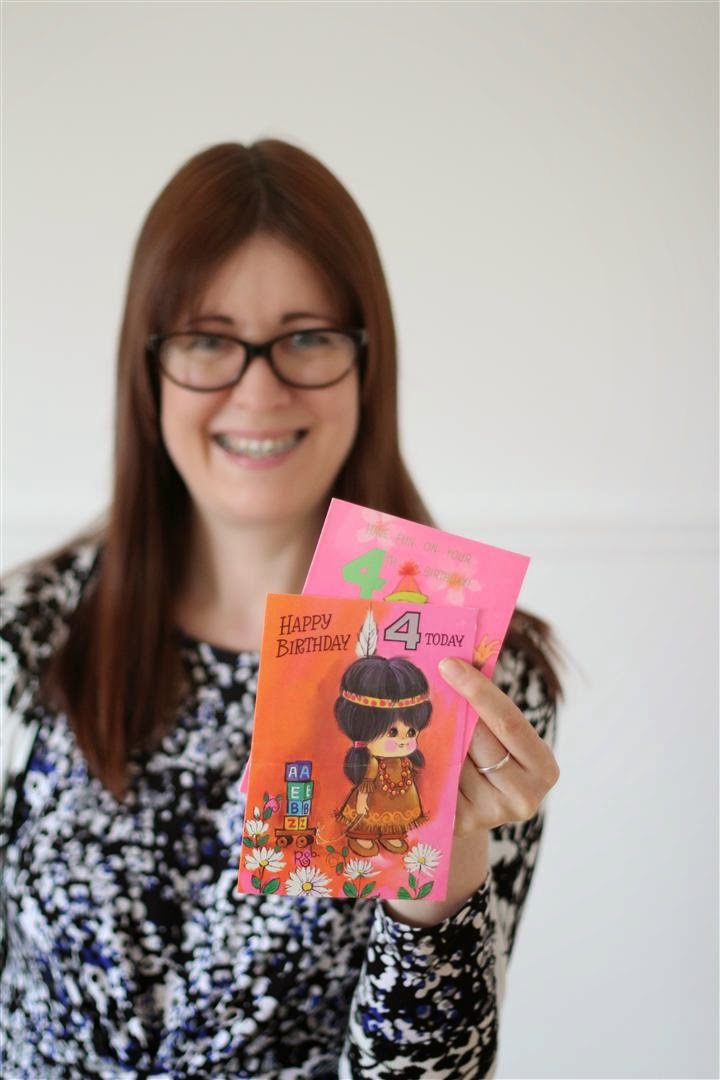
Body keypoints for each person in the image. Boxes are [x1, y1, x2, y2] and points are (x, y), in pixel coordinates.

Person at [0, 139, 561, 1078]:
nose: (258, 391)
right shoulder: (28, 633)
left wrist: (439, 870)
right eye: (208, 340)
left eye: (306, 337)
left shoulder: (480, 670)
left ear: (366, 363)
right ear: (149, 369)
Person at [335, 655, 432, 857]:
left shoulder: (405, 761)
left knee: (396, 814)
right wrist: (361, 802)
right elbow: (366, 785)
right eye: (392, 732)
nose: (403, 740)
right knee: (370, 816)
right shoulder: (372, 763)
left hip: (401, 798)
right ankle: (362, 834)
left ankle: (392, 833)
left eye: (411, 732)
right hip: (374, 798)